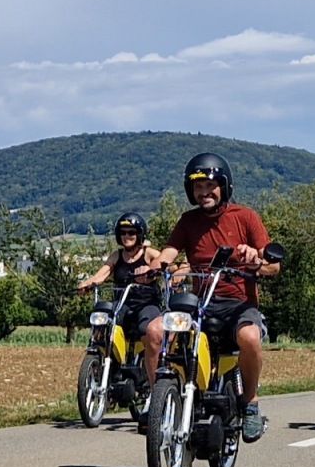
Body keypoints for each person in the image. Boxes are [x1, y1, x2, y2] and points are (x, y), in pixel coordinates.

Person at [160, 151, 273, 442]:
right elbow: (170, 251)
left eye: (210, 186)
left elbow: (273, 266)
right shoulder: (188, 221)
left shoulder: (245, 217)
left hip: (238, 305)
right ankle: (161, 397)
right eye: (198, 187)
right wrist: (157, 266)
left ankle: (250, 402)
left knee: (250, 338)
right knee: (163, 331)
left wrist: (255, 259)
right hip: (202, 305)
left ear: (224, 186)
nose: (204, 192)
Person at [73, 211, 171, 396]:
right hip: (122, 303)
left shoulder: (149, 253)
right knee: (104, 325)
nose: (127, 236)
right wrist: (87, 284)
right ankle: (107, 366)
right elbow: (101, 274)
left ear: (140, 234)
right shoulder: (116, 256)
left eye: (131, 232)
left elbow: (168, 265)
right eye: (123, 233)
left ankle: (151, 379)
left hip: (146, 303)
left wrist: (152, 270)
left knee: (147, 330)